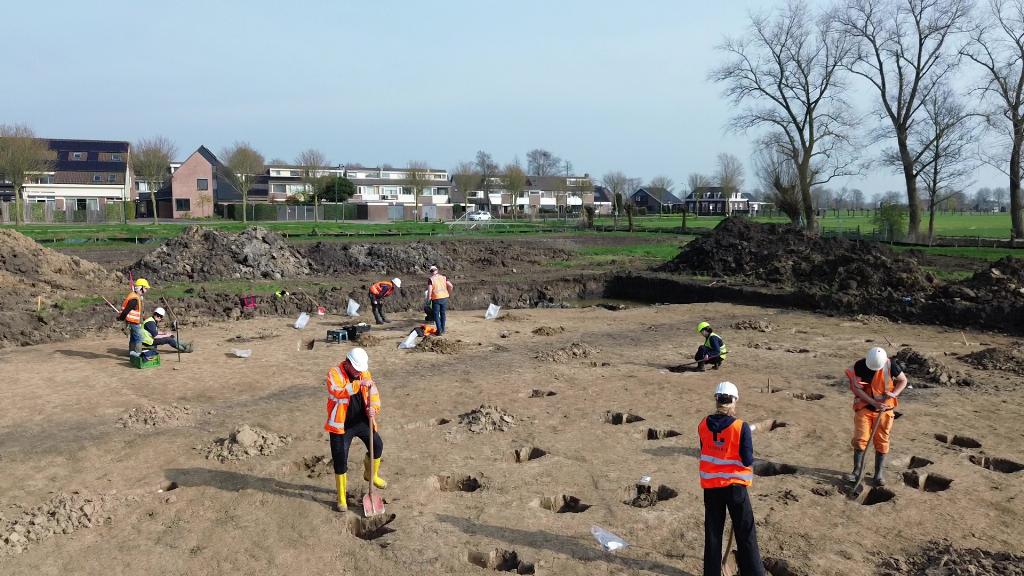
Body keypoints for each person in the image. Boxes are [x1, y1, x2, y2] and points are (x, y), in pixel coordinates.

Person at [699, 382, 764, 576]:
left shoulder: (703, 424)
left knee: (712, 534)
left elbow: (705, 449)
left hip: (711, 488)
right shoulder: (740, 427)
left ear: (716, 400)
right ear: (734, 401)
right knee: (746, 534)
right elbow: (747, 459)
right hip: (735, 488)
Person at [324, 347, 386, 513]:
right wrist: (358, 385)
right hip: (341, 425)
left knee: (377, 446)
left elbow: (374, 394)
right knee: (340, 460)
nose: (359, 373)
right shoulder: (334, 373)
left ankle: (371, 475)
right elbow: (337, 392)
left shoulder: (365, 373)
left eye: (361, 370)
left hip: (361, 421)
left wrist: (374, 409)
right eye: (357, 370)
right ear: (348, 363)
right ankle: (341, 497)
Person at [844, 347, 908, 487]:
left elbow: (903, 381)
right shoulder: (860, 365)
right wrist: (873, 402)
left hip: (885, 410)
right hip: (865, 407)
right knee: (860, 439)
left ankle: (878, 474)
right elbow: (856, 388)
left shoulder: (892, 365)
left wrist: (894, 394)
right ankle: (856, 472)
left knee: (882, 440)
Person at [118, 278, 150, 356]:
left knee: (133, 338)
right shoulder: (134, 299)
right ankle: (138, 354)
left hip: (133, 322)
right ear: (140, 288)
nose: (146, 290)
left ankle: (131, 353)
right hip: (134, 322)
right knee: (139, 338)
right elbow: (126, 310)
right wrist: (121, 318)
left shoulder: (136, 296)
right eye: (145, 288)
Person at [426, 265, 453, 336]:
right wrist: (448, 293)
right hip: (444, 297)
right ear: (437, 270)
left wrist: (428, 300)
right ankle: (443, 330)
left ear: (431, 272)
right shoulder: (443, 277)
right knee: (443, 313)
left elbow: (430, 291)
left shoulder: (431, 279)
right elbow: (451, 286)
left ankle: (439, 331)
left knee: (436, 315)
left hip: (436, 298)